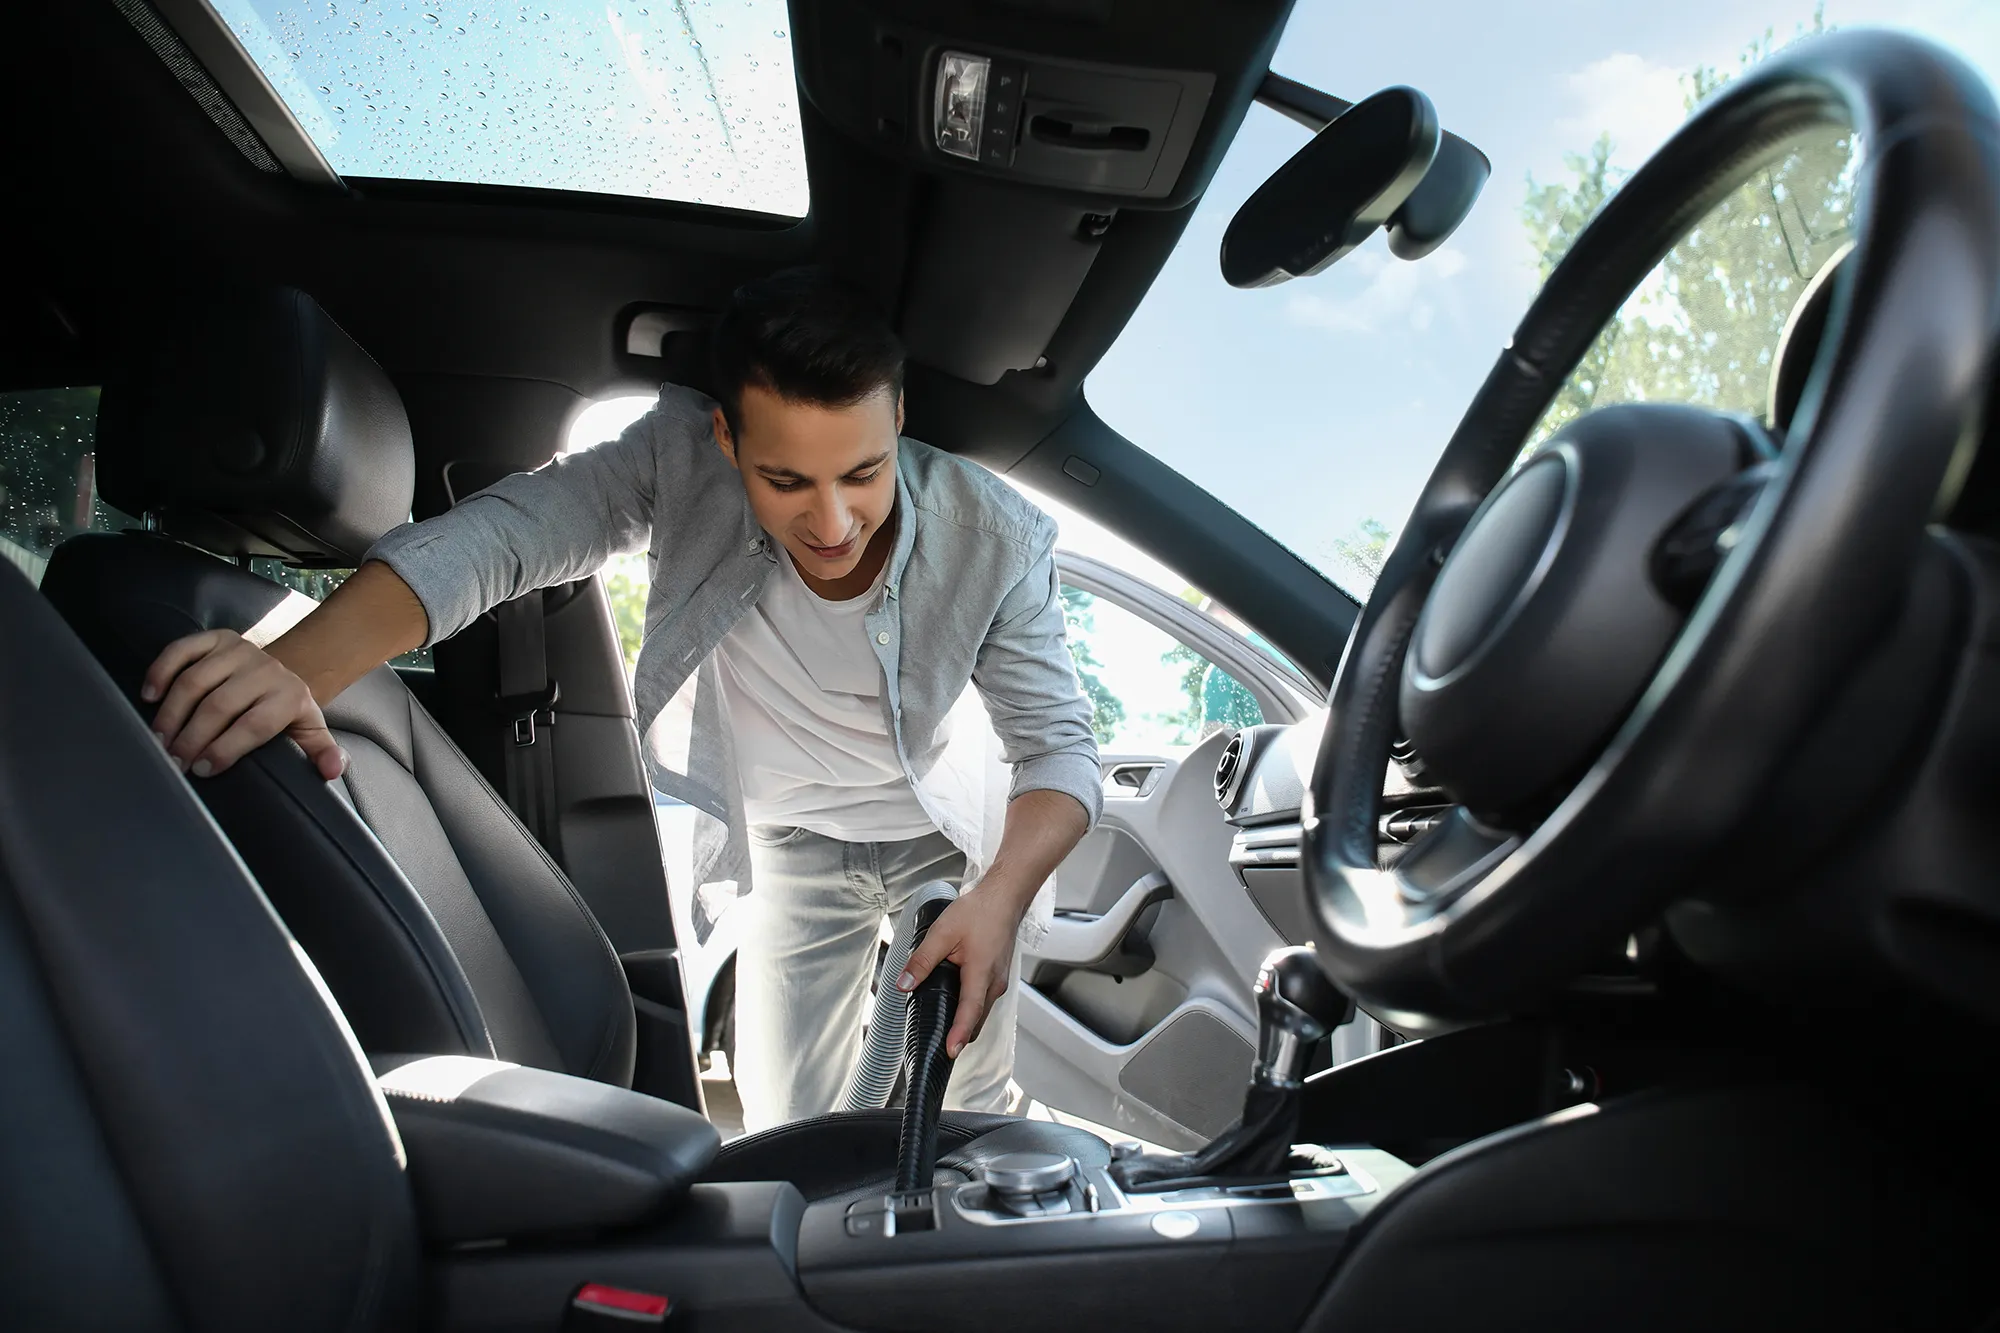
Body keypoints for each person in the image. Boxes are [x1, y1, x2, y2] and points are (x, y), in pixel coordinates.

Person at [138, 267, 1101, 1131]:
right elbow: (505, 535)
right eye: (785, 480)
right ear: (726, 438)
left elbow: (1058, 749)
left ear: (897, 419)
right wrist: (294, 665)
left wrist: (998, 898)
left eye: (862, 473)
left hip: (953, 834)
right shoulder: (674, 460)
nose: (835, 520)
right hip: (794, 839)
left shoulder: (997, 535)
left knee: (974, 1109)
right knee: (785, 1128)